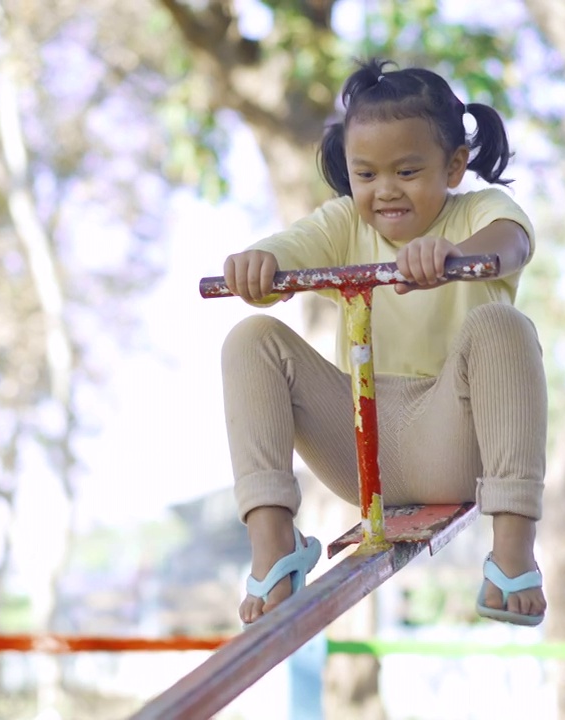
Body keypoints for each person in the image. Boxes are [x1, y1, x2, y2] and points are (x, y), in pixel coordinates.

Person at [221, 58, 547, 627]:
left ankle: (513, 555)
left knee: (503, 327)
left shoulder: (478, 211)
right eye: (366, 174)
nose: (385, 191)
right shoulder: (345, 224)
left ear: (453, 165)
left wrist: (454, 254)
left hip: (457, 438)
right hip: (362, 452)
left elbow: (511, 242)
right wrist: (258, 264)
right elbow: (287, 249)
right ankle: (273, 544)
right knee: (252, 339)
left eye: (407, 171)